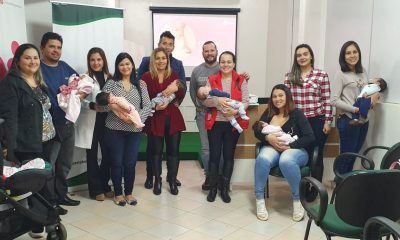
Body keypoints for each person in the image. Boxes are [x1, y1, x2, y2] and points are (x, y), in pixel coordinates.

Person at [0, 43, 59, 238]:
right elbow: (10, 117)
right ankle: (39, 223)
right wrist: (9, 146)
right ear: (18, 61)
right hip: (26, 143)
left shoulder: (38, 80)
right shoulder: (11, 83)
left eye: (35, 57)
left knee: (42, 183)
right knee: (34, 186)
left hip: (47, 139)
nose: (33, 61)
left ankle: (39, 222)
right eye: (28, 57)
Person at [190, 41, 250, 191]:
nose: (209, 53)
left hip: (229, 119)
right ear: (202, 53)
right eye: (206, 51)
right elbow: (194, 93)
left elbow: (243, 97)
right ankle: (210, 179)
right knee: (207, 151)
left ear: (216, 51)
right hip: (206, 116)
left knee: (224, 153)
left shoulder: (227, 71)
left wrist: (235, 111)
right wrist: (205, 106)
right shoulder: (197, 71)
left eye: (212, 50)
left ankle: (223, 182)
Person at [253, 84, 315, 222]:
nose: (277, 99)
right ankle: (259, 201)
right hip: (272, 147)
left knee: (286, 160)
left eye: (281, 95)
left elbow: (310, 136)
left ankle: (298, 201)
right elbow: (257, 130)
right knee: (262, 159)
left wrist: (290, 145)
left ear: (287, 97)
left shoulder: (297, 114)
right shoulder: (269, 113)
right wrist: (268, 137)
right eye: (274, 96)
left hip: (295, 150)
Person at [137, 31, 186, 189]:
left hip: (172, 118)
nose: (161, 60)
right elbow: (142, 97)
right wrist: (154, 106)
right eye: (157, 58)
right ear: (153, 59)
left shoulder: (174, 74)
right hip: (154, 119)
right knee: (154, 151)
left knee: (173, 151)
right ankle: (156, 179)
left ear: (168, 59)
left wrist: (174, 91)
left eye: (163, 58)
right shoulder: (145, 76)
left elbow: (181, 90)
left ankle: (171, 180)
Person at [102, 52, 151, 206]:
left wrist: (134, 119)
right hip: (114, 129)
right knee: (116, 162)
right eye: (121, 64)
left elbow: (148, 105)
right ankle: (118, 193)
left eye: (127, 64)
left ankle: (128, 193)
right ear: (117, 66)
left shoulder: (140, 84)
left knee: (130, 162)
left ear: (132, 65)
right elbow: (103, 104)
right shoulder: (111, 83)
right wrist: (117, 112)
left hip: (134, 131)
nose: (125, 67)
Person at [201, 51, 249, 203]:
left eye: (229, 62)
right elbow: (205, 102)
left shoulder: (241, 80)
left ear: (233, 64)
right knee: (214, 156)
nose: (226, 64)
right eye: (223, 62)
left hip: (232, 125)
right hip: (215, 124)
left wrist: (236, 110)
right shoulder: (212, 79)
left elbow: (246, 101)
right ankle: (213, 188)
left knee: (228, 156)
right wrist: (218, 101)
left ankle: (224, 188)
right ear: (219, 63)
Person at [40, 32, 81, 208]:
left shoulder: (65, 67)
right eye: (52, 46)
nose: (56, 50)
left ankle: (61, 195)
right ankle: (50, 201)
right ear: (42, 48)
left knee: (65, 163)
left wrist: (80, 94)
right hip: (49, 127)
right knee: (50, 165)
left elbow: (81, 84)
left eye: (58, 47)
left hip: (67, 123)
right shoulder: (38, 70)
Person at [284, 44, 332, 187]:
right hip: (297, 122)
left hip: (317, 120)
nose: (302, 57)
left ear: (311, 56)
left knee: (316, 155)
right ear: (295, 58)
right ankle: (302, 187)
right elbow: (286, 101)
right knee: (300, 154)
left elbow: (327, 100)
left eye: (305, 54)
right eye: (299, 55)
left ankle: (315, 188)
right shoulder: (290, 76)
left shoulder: (321, 75)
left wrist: (328, 121)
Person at [331, 41, 380, 174]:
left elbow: (364, 92)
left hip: (364, 120)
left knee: (354, 155)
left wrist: (374, 94)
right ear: (343, 56)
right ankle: (339, 186)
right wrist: (354, 109)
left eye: (355, 52)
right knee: (346, 156)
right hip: (348, 121)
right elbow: (334, 100)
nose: (352, 55)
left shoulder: (362, 71)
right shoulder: (340, 74)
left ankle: (347, 185)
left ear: (358, 54)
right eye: (348, 53)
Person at [74, 47, 113, 201]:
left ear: (103, 60)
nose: (96, 63)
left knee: (107, 155)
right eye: (92, 60)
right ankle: (95, 189)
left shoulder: (110, 77)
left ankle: (105, 185)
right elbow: (77, 99)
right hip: (92, 120)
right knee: (91, 156)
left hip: (107, 120)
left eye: (99, 59)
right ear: (89, 62)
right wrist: (91, 106)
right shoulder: (84, 78)